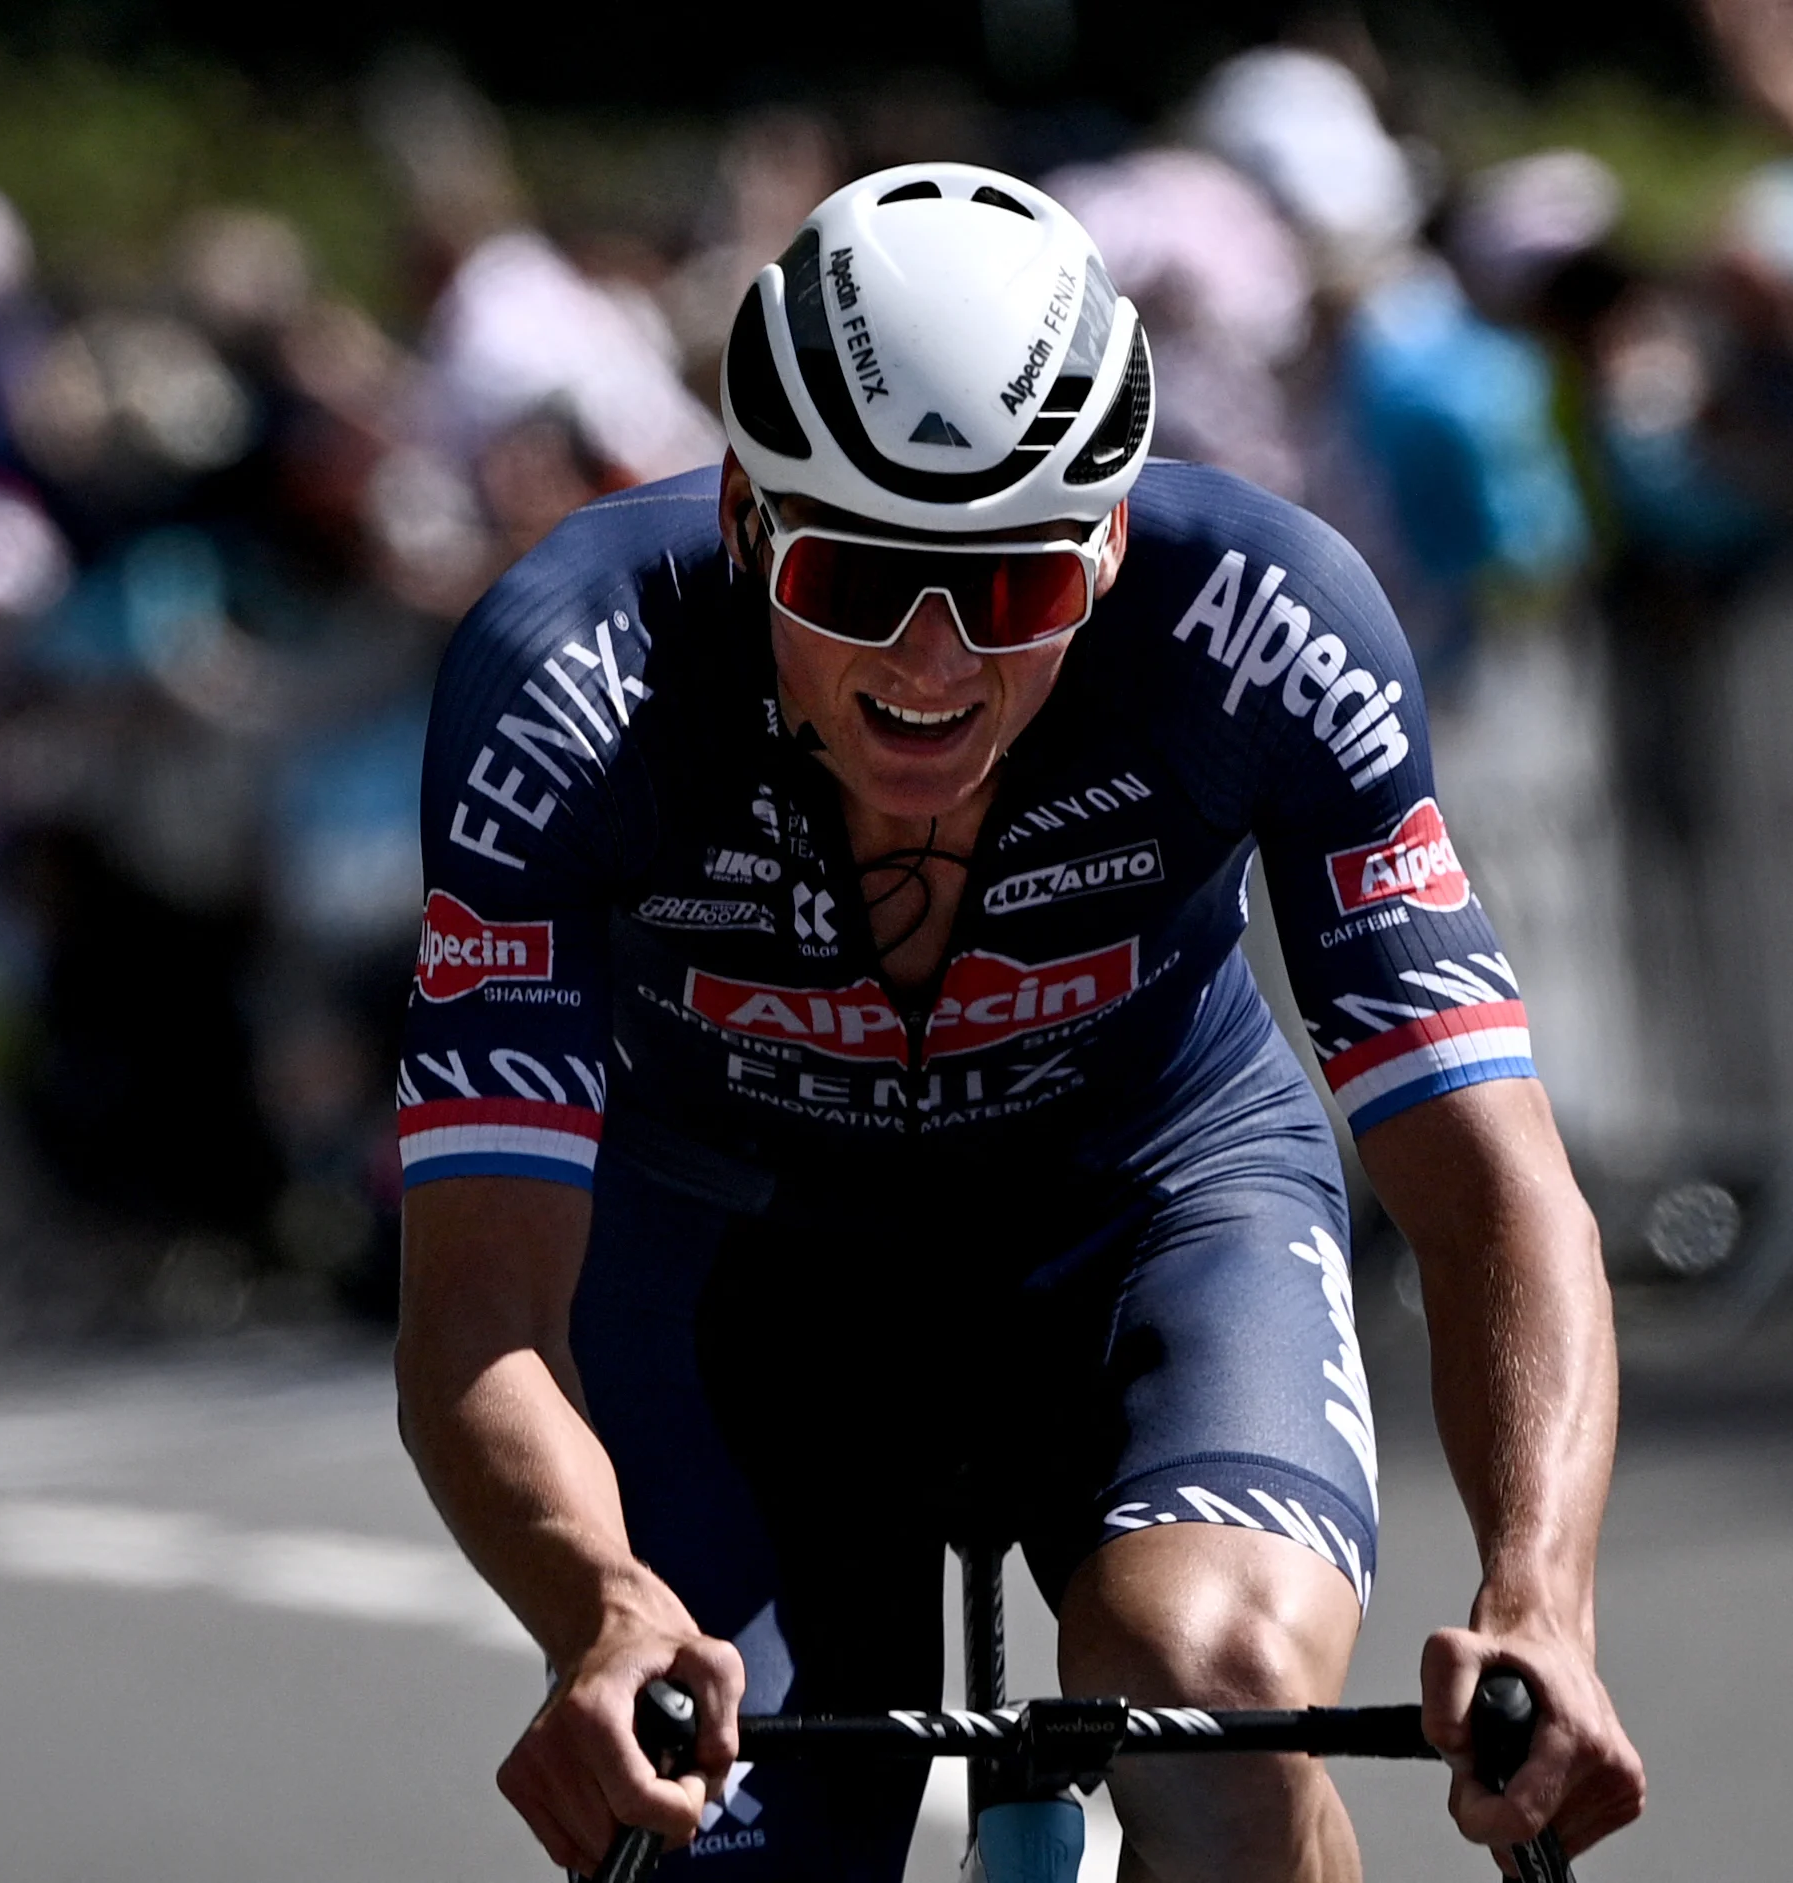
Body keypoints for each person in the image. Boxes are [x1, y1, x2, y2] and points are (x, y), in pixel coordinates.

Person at [393, 163, 1645, 1883]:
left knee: (1213, 1697)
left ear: (1109, 541)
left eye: (1009, 592)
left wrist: (1541, 1599)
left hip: (1152, 1206)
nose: (932, 663)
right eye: (858, 579)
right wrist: (601, 1609)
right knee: (709, 1823)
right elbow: (479, 1290)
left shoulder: (1265, 629)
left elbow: (1494, 1184)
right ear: (748, 517)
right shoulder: (570, 679)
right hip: (738, 1266)